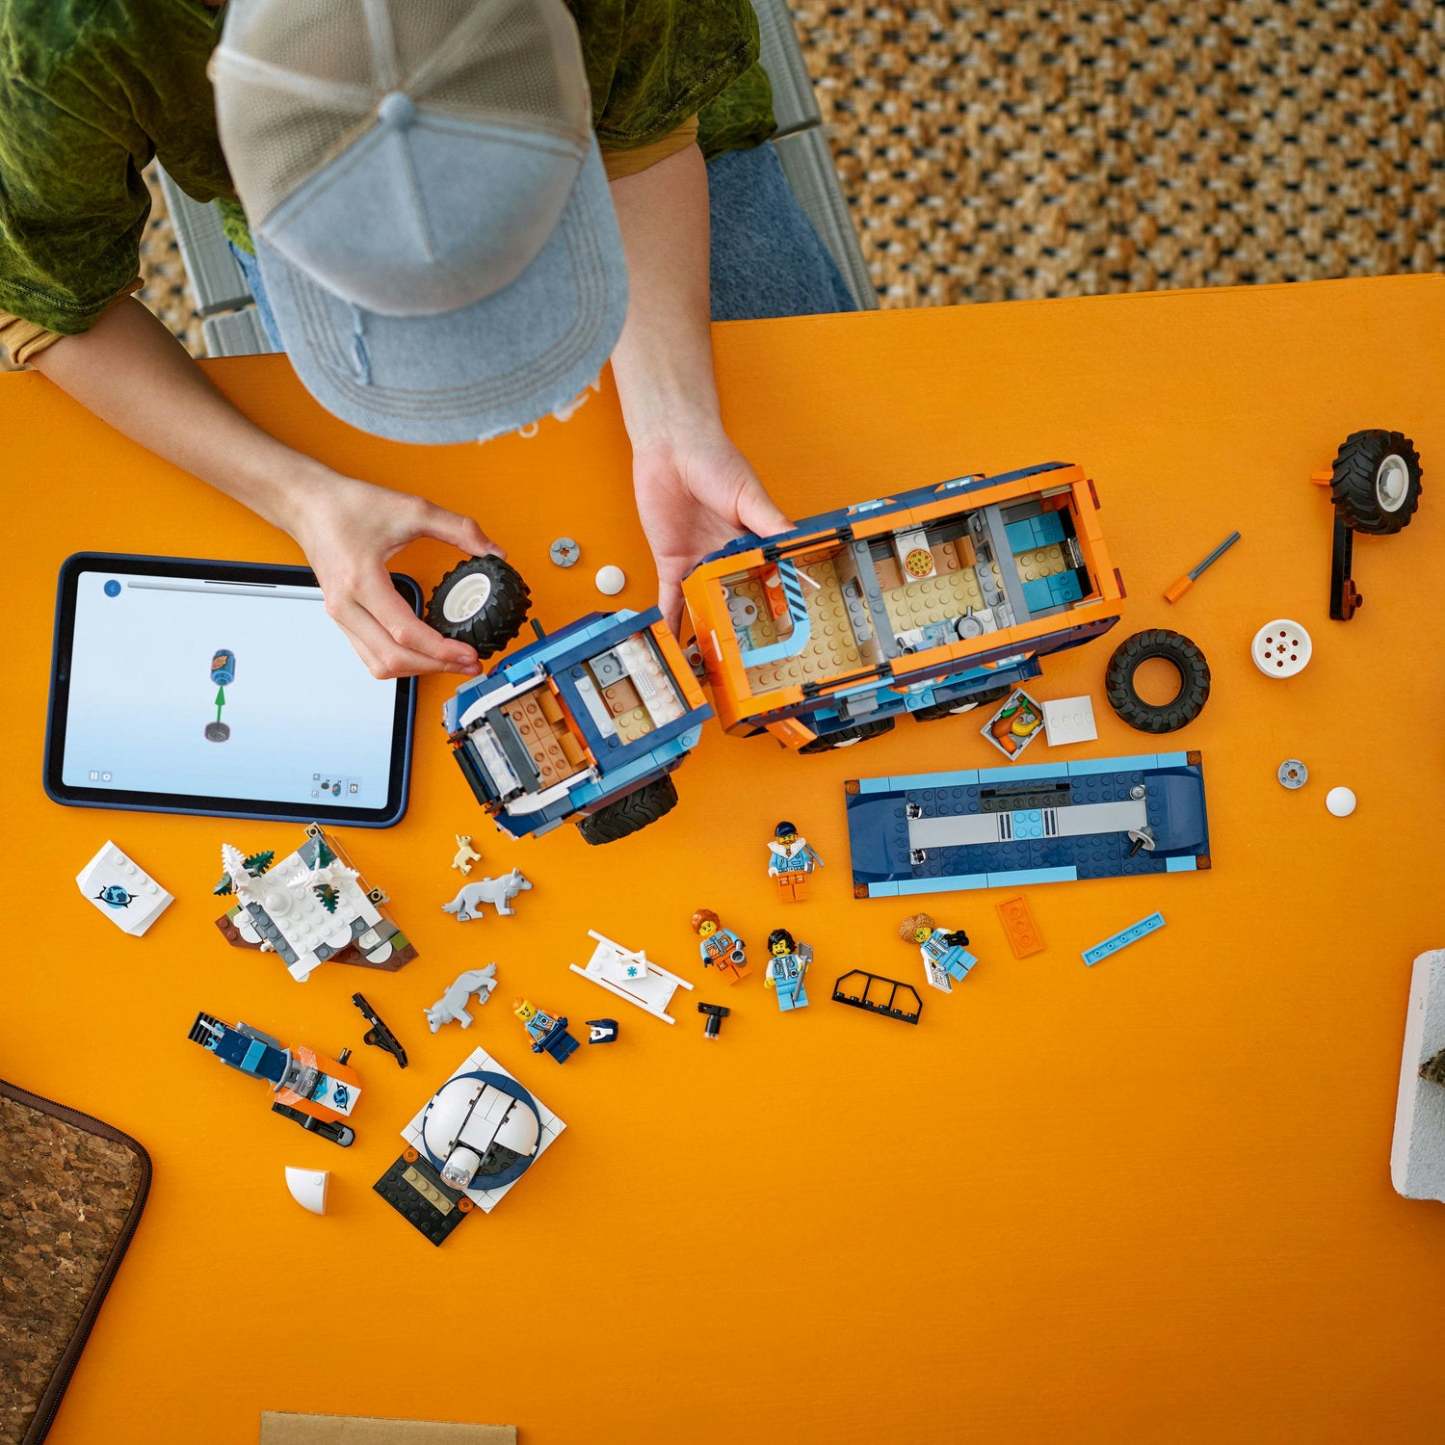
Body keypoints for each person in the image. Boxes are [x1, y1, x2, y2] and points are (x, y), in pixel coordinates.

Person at [0, 0, 856, 679]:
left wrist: (677, 422)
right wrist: (302, 502)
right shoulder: (59, 33)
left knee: (832, 483)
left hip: (624, 135)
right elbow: (41, 301)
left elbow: (642, 129)